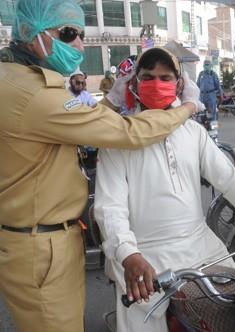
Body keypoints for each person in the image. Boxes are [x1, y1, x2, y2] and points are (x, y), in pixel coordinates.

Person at [0, 1, 204, 331]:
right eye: (69, 34)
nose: (80, 44)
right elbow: (128, 132)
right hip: (41, 245)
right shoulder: (36, 95)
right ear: (32, 32)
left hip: (39, 240)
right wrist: (188, 107)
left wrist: (109, 101)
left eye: (81, 34)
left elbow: (82, 118)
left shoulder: (17, 80)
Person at [94, 47, 235, 332]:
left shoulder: (192, 132)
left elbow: (229, 180)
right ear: (135, 83)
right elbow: (109, 207)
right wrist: (128, 254)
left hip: (202, 248)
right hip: (145, 256)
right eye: (148, 77)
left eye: (165, 77)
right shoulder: (118, 138)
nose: (156, 83)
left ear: (179, 84)